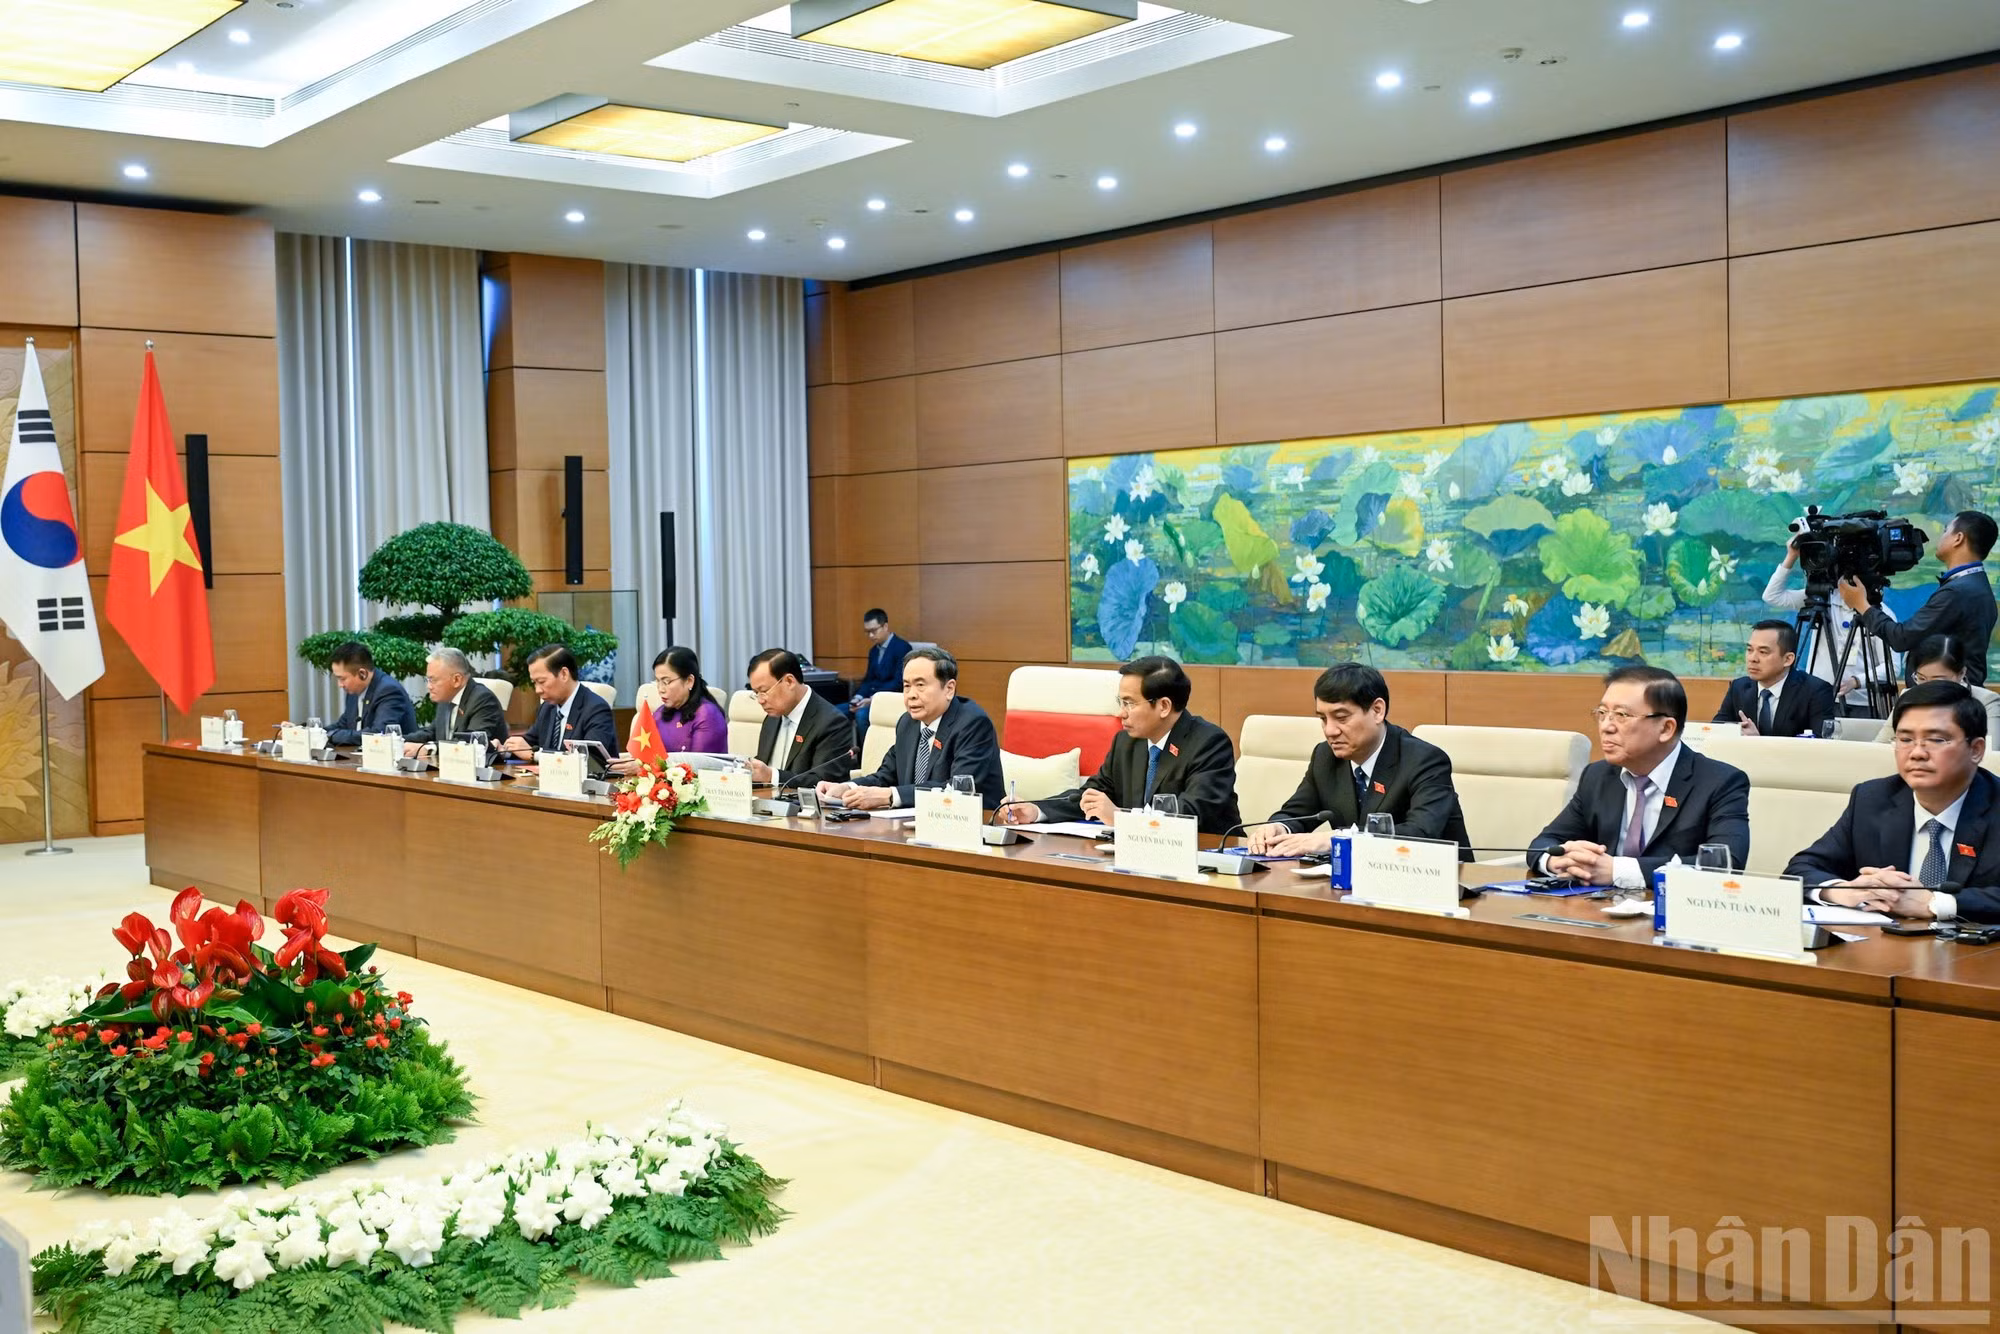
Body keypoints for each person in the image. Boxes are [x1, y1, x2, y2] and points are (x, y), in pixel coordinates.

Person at [1787, 680, 2000, 924]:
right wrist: (1843, 890)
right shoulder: (1872, 799)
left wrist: (1935, 903)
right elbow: (1801, 868)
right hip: (1885, 953)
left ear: (1976, 749)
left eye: (1937, 740)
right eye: (1905, 740)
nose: (1917, 752)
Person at [1530, 666, 1751, 886]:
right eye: (1602, 713)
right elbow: (1544, 843)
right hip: (1599, 912)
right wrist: (1557, 860)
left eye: (1622, 715)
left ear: (1666, 729)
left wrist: (1618, 870)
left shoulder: (1720, 782)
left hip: (1672, 913)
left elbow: (1725, 865)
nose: (1606, 726)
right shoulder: (1597, 776)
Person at [1244, 663, 1470, 859]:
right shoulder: (1325, 757)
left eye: (1341, 718)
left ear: (1377, 711)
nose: (1330, 731)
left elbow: (1421, 833)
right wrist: (1277, 827)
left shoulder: (1424, 760)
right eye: (1323, 719)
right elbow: (1297, 814)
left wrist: (1338, 839)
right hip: (1356, 885)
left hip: (1440, 886)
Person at [999, 655, 1241, 836]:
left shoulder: (1208, 743)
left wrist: (1120, 817)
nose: (1121, 713)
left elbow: (1191, 812)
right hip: (1139, 857)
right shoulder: (1126, 742)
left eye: (1129, 703)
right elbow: (1092, 795)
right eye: (1120, 702)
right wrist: (1036, 810)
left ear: (1164, 706)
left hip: (1207, 861)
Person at [820, 647, 1005, 811]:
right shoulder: (908, 723)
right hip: (917, 823)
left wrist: (890, 796)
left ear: (949, 689)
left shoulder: (973, 724)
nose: (911, 695)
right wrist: (848, 787)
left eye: (920, 685)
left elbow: (958, 790)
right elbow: (886, 775)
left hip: (975, 826)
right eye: (906, 686)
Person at [1841, 510, 1998, 686]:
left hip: (1946, 698)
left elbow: (1901, 638)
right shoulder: (1976, 584)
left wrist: (1862, 605)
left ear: (1958, 538)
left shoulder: (1959, 591)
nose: (1941, 536)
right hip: (1952, 694)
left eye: (1946, 530)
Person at [1764, 534, 1898, 713]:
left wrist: (1856, 681)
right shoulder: (1823, 600)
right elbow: (1772, 596)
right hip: (1819, 699)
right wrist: (1792, 556)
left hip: (1862, 704)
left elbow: (1892, 668)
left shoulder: (1881, 614)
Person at [748, 647, 855, 788]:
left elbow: (824, 782)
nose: (760, 700)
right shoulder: (772, 718)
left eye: (764, 691)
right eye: (756, 693)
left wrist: (771, 776)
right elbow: (763, 767)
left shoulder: (831, 722)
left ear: (789, 681)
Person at [1711, 619, 1836, 737]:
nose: (1752, 658)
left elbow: (1820, 745)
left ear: (1788, 659)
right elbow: (1716, 729)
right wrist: (1734, 731)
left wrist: (1759, 742)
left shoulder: (1816, 691)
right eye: (1749, 650)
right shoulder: (1739, 687)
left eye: (1763, 652)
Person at [498, 643, 618, 762]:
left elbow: (588, 758)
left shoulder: (596, 708)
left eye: (542, 681)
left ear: (564, 674)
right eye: (534, 683)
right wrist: (506, 750)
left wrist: (535, 755)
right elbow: (528, 744)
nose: (537, 690)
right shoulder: (547, 708)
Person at [1871, 636, 2000, 743]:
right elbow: (1879, 746)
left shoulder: (1986, 701)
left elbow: (1989, 754)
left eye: (1938, 680)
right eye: (1921, 678)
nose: (1928, 687)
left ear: (1961, 673)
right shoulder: (1908, 697)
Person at [401, 647, 507, 758]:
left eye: (433, 680)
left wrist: (428, 749)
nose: (429, 686)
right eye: (428, 680)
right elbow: (431, 733)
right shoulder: (447, 698)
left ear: (456, 679)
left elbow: (472, 743)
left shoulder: (483, 699)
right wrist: (398, 740)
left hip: (480, 771)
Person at [629, 646, 728, 756]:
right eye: (658, 681)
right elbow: (646, 755)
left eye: (667, 682)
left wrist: (651, 766)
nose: (660, 689)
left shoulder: (707, 715)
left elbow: (697, 766)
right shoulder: (660, 713)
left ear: (689, 681)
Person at [324, 640, 415, 746]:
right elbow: (343, 724)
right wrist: (317, 732)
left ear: (362, 674)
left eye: (342, 678)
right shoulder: (353, 692)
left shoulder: (389, 691)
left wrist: (334, 735)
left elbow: (379, 734)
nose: (340, 684)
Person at [849, 609, 912, 743]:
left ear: (885, 626)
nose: (871, 635)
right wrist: (858, 698)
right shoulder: (873, 651)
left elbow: (898, 682)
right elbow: (868, 680)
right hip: (869, 699)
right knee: (837, 712)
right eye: (867, 632)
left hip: (889, 700)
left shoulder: (902, 647)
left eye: (874, 630)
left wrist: (873, 699)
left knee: (861, 715)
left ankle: (869, 757)